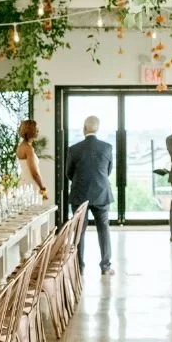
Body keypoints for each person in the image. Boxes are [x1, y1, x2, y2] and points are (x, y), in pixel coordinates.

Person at [65, 115, 115, 274]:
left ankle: (79, 267)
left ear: (84, 128)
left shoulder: (74, 149)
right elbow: (108, 171)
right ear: (97, 129)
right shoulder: (107, 147)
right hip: (101, 193)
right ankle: (105, 266)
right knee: (103, 229)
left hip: (80, 194)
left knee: (79, 230)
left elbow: (69, 173)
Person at [15, 119, 46, 196]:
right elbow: (34, 173)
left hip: (23, 182)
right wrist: (42, 188)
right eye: (36, 129)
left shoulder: (20, 146)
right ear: (31, 131)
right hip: (31, 184)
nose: (38, 130)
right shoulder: (28, 148)